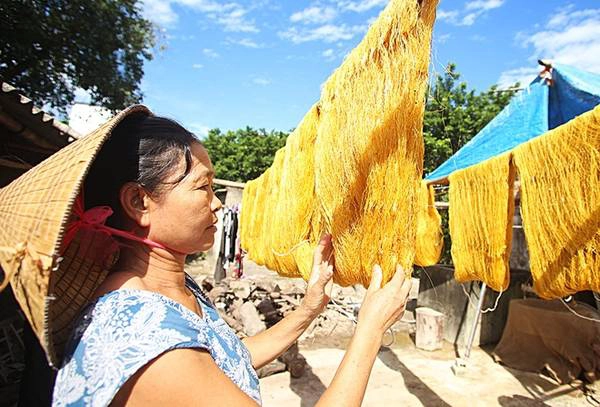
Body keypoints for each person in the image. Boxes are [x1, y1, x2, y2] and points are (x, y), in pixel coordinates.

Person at [0, 106, 412, 406]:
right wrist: (370, 329)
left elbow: (229, 359)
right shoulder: (137, 334)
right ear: (139, 202)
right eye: (202, 187)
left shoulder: (173, 291)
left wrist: (310, 305)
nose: (217, 205)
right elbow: (189, 366)